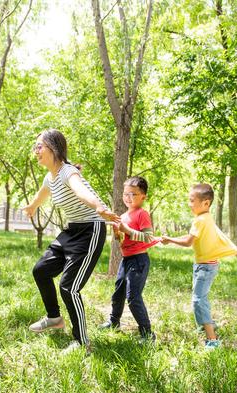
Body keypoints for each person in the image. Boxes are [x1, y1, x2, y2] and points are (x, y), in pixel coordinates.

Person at [24, 129, 119, 353]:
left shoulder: (68, 172)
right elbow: (42, 194)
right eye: (35, 147)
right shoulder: (50, 177)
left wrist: (98, 206)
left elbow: (81, 191)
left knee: (69, 287)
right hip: (72, 230)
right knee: (41, 270)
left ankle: (82, 341)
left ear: (53, 149)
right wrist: (32, 206)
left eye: (39, 146)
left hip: (90, 231)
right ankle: (54, 318)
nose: (36, 151)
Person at [161, 184, 237, 350]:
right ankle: (206, 324)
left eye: (192, 200)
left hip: (205, 267)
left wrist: (170, 240)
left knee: (198, 300)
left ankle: (212, 339)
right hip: (205, 265)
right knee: (200, 298)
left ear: (206, 203)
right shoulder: (206, 218)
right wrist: (170, 238)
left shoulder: (199, 219)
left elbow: (188, 242)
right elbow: (191, 237)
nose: (189, 204)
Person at [99, 176, 159, 341]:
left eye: (133, 194)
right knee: (118, 293)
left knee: (133, 297)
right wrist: (118, 233)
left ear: (143, 197)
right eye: (126, 194)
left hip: (139, 260)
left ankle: (147, 334)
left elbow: (148, 237)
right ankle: (114, 322)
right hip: (126, 260)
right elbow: (123, 240)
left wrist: (126, 229)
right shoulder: (124, 215)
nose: (128, 197)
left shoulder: (142, 214)